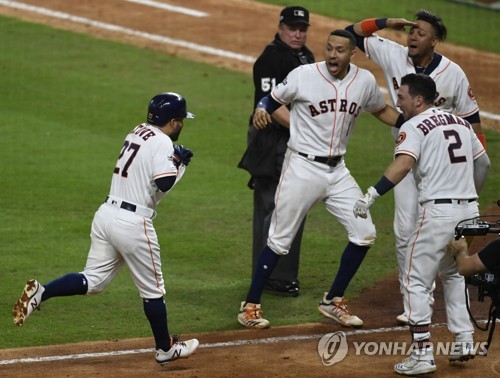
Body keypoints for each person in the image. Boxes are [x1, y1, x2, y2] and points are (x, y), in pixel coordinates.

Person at [12, 92, 199, 365]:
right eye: (181, 120)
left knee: (93, 281)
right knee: (153, 291)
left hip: (106, 215)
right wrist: (180, 164)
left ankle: (42, 292)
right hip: (132, 224)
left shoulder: (137, 132)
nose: (182, 124)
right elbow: (164, 183)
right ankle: (165, 348)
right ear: (172, 121)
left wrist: (177, 162)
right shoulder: (162, 142)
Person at [237, 29, 401, 330]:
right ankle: (250, 305)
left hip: (338, 172)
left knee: (364, 233)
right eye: (328, 48)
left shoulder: (363, 81)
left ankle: (333, 299)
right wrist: (261, 109)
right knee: (279, 239)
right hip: (301, 167)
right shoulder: (303, 75)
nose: (332, 55)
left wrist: (412, 121)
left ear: (352, 54)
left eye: (339, 50)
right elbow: (270, 100)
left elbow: (381, 110)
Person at [345, 9, 488, 325]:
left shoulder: (453, 73)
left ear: (434, 41)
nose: (412, 36)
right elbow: (350, 34)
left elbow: (473, 124)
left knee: (451, 238)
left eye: (420, 33)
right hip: (407, 156)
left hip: (443, 168)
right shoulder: (392, 53)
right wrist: (385, 23)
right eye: (411, 31)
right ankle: (415, 306)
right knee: (405, 231)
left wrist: (472, 175)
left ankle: (458, 308)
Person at [353, 73, 490, 375]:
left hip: (437, 215)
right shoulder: (461, 123)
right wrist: (471, 197)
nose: (397, 103)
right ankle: (464, 339)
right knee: (454, 272)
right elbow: (485, 164)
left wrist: (371, 194)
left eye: (401, 97)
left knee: (415, 279)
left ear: (418, 99)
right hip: (468, 213)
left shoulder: (413, 125)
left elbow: (403, 164)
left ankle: (422, 353)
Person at [238, 6, 315, 297]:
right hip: (272, 139)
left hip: (294, 139)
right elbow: (270, 106)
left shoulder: (305, 56)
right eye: (293, 27)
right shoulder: (270, 58)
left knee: (291, 204)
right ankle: (272, 276)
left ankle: (276, 273)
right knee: (273, 205)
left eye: (303, 28)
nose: (298, 33)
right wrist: (307, 131)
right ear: (281, 27)